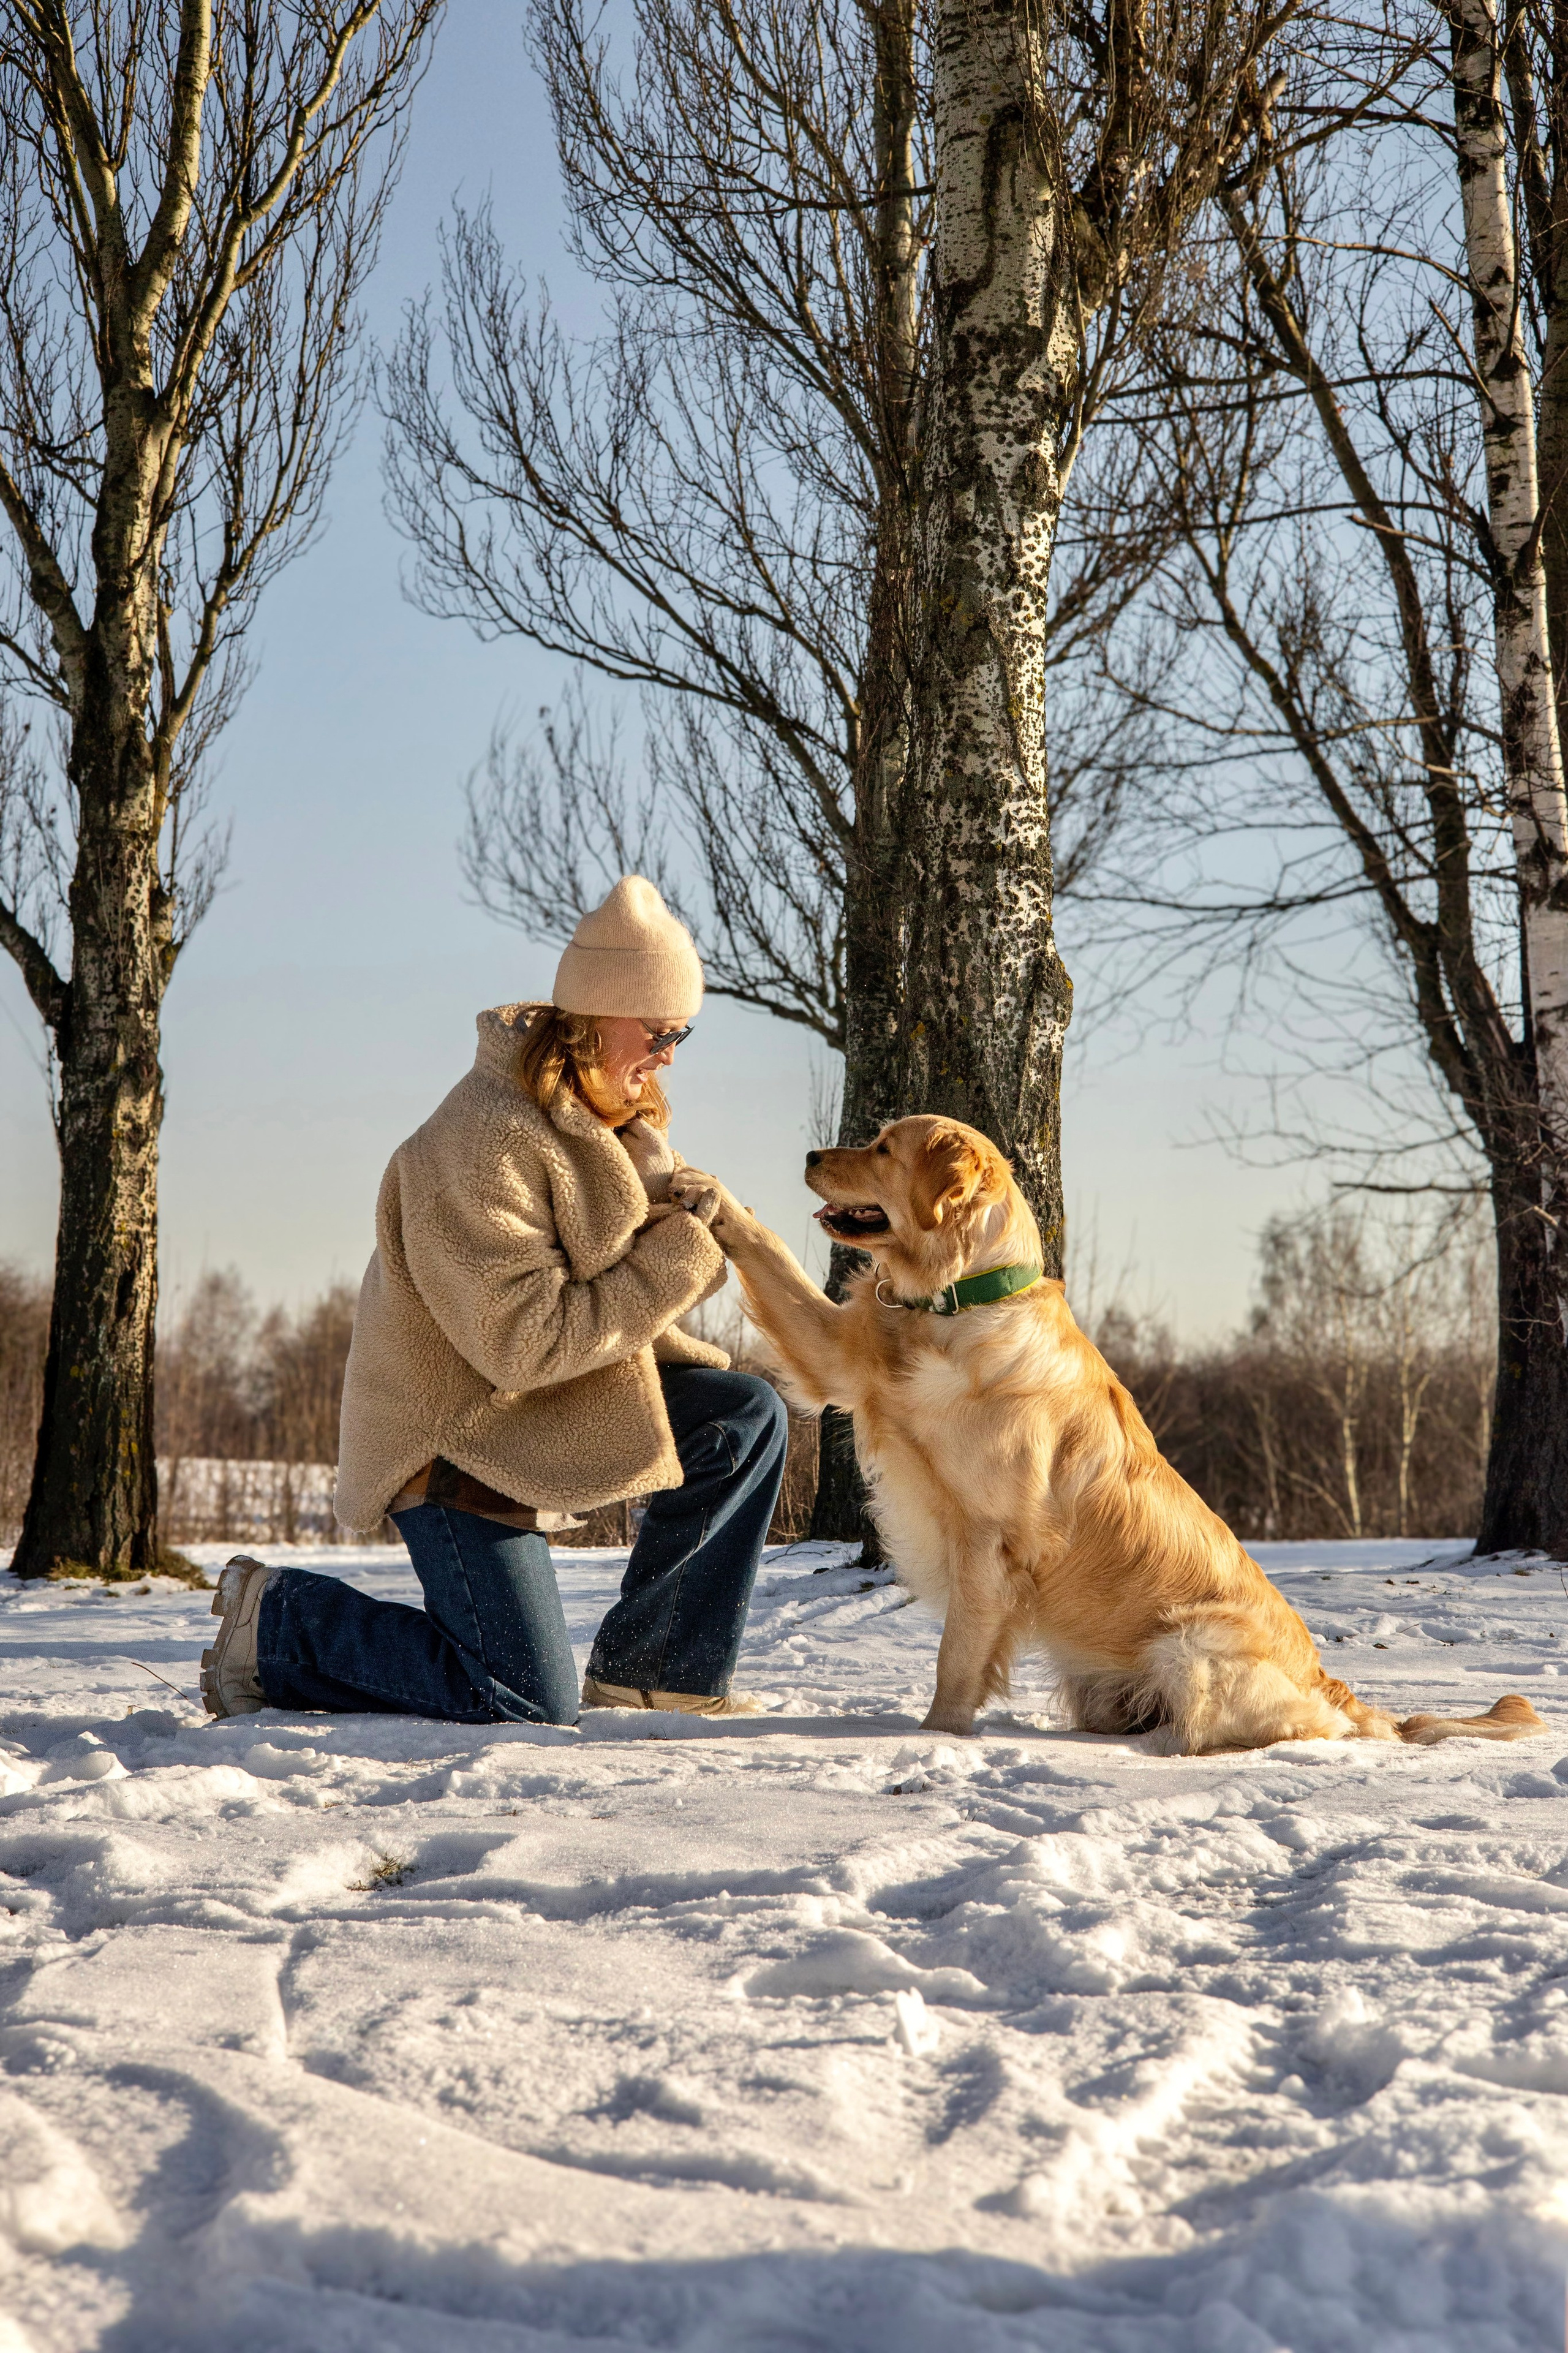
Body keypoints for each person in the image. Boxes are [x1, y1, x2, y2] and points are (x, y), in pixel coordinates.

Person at [200, 876, 788, 1726]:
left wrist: (671, 1213)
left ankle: (657, 1672)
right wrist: (678, 1253)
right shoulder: (483, 1142)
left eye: (682, 1033)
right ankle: (280, 1624)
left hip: (536, 1403)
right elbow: (526, 1343)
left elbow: (617, 1291)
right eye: (659, 1031)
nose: (670, 1053)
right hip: (454, 1437)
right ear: (594, 1015)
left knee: (741, 1414)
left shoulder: (612, 1117)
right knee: (519, 1696)